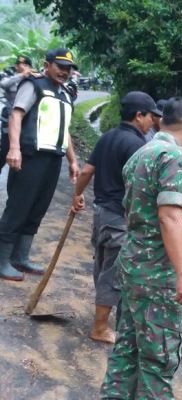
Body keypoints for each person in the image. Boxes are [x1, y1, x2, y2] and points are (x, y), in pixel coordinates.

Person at [99, 97, 182, 399]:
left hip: (133, 269)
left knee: (126, 350)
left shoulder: (142, 153)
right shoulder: (176, 158)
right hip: (158, 277)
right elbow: (169, 215)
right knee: (157, 360)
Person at [70, 91, 161, 344]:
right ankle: (99, 327)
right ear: (138, 115)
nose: (152, 123)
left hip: (101, 214)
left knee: (102, 265)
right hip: (119, 218)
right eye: (150, 117)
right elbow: (143, 187)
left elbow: (87, 170)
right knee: (114, 272)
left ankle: (103, 318)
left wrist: (77, 195)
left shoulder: (108, 137)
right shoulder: (137, 146)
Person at [0, 48, 80, 281]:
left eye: (68, 68)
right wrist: (14, 148)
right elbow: (16, 115)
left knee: (37, 208)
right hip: (30, 156)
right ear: (47, 64)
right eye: (60, 66)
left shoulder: (65, 94)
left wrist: (73, 160)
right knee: (18, 208)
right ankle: (2, 259)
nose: (64, 72)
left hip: (53, 159)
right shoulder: (33, 85)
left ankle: (20, 257)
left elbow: (64, 130)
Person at [1, 56, 34, 169]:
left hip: (25, 121)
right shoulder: (8, 75)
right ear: (16, 66)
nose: (23, 66)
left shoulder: (32, 78)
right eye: (20, 64)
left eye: (26, 65)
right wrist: (21, 75)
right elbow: (4, 84)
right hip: (9, 119)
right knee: (4, 150)